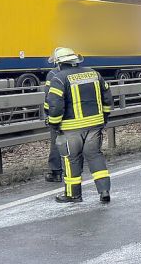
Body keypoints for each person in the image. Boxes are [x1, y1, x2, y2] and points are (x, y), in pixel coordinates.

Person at [44, 47, 113, 203]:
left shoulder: (59, 79)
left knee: (71, 160)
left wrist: (54, 124)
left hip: (71, 128)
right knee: (95, 156)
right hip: (95, 125)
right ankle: (104, 191)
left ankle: (73, 195)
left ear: (59, 63)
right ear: (75, 61)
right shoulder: (94, 74)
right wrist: (104, 117)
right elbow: (107, 97)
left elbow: (54, 104)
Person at [43, 52, 66, 183]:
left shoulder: (52, 74)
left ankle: (56, 172)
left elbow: (49, 97)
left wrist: (48, 115)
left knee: (56, 142)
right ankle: (73, 170)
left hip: (58, 114)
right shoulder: (79, 73)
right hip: (76, 116)